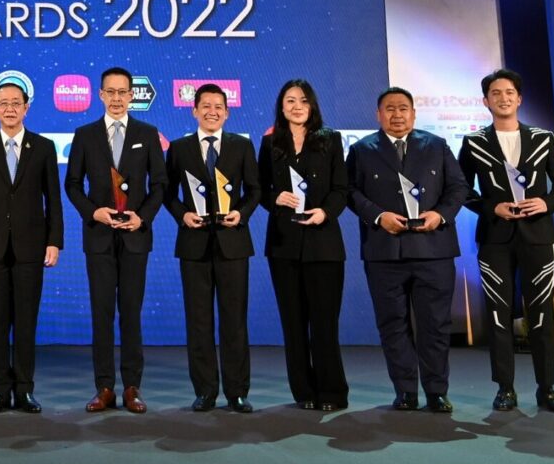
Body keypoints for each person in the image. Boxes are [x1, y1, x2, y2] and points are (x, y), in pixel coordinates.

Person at [459, 68, 554, 413]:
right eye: (496, 93)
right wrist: (491, 207)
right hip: (494, 237)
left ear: (519, 98)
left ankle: (547, 388)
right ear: (485, 101)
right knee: (499, 313)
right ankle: (505, 388)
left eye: (509, 92)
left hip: (539, 236)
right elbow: (460, 189)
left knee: (541, 314)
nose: (503, 98)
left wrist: (546, 203)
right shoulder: (474, 142)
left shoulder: (543, 138)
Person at [346, 87, 467, 413]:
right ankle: (405, 391)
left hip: (434, 250)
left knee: (435, 325)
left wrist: (440, 215)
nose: (397, 114)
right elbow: (349, 191)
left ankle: (437, 391)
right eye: (389, 109)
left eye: (403, 108)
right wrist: (378, 216)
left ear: (413, 113)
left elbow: (458, 187)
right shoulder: (361, 150)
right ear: (378, 114)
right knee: (392, 324)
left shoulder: (437, 145)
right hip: (384, 252)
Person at [64, 66, 166, 413]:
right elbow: (72, 184)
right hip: (99, 237)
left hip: (135, 237)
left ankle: (132, 387)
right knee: (102, 312)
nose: (117, 98)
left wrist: (143, 217)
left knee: (131, 313)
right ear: (101, 95)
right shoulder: (85, 135)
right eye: (111, 92)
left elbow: (160, 185)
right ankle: (105, 387)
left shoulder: (147, 134)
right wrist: (94, 212)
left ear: (132, 96)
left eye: (123, 92)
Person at [0, 80, 63, 413]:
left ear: (26, 107)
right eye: (3, 103)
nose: (9, 108)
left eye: (16, 102)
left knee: (25, 322)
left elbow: (53, 200)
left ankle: (24, 390)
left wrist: (54, 241)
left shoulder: (44, 147)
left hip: (30, 248)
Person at [256, 79, 350, 411]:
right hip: (283, 245)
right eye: (290, 101)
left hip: (324, 245)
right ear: (281, 107)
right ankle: (304, 391)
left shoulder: (330, 139)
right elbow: (258, 190)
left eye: (303, 100)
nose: (297, 106)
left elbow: (342, 189)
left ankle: (332, 392)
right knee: (293, 324)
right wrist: (274, 197)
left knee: (324, 324)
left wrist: (325, 212)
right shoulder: (270, 143)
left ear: (313, 106)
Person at [166, 83, 260, 412]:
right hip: (194, 245)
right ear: (194, 110)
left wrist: (241, 214)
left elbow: (255, 190)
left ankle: (237, 391)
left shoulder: (242, 146)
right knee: (199, 321)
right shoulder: (179, 148)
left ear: (227, 112)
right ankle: (205, 390)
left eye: (219, 106)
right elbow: (167, 193)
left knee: (234, 321)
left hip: (233, 244)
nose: (212, 111)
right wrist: (183, 214)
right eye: (205, 106)